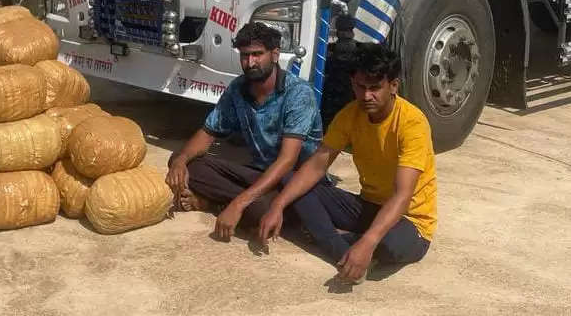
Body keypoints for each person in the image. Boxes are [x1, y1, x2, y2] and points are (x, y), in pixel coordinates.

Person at [258, 43, 437, 284]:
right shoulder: (350, 114)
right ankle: (344, 249)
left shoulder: (412, 123)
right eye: (360, 87)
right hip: (367, 207)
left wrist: (368, 241)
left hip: (409, 222)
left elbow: (402, 195)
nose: (366, 96)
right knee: (292, 181)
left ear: (393, 86)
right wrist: (277, 206)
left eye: (375, 88)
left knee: (390, 244)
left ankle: (342, 241)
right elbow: (316, 167)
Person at [165, 21, 323, 240]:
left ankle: (215, 202)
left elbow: (287, 161)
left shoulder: (298, 93)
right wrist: (181, 161)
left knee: (263, 210)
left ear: (275, 54)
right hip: (258, 174)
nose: (250, 62)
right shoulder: (238, 88)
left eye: (257, 54)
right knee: (181, 161)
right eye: (244, 55)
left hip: (293, 182)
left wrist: (239, 203)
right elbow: (208, 132)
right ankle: (234, 203)